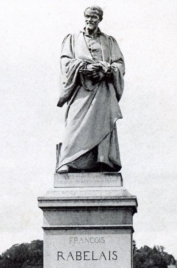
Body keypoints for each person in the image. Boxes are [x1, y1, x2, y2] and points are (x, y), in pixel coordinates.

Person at [56, 6, 125, 174]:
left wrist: (106, 70)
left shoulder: (109, 41)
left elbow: (119, 64)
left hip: (102, 90)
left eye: (94, 17)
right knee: (74, 123)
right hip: (81, 88)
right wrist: (83, 67)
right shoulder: (72, 39)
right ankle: (68, 161)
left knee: (101, 123)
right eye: (87, 17)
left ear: (99, 19)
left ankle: (102, 160)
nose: (90, 20)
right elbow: (65, 61)